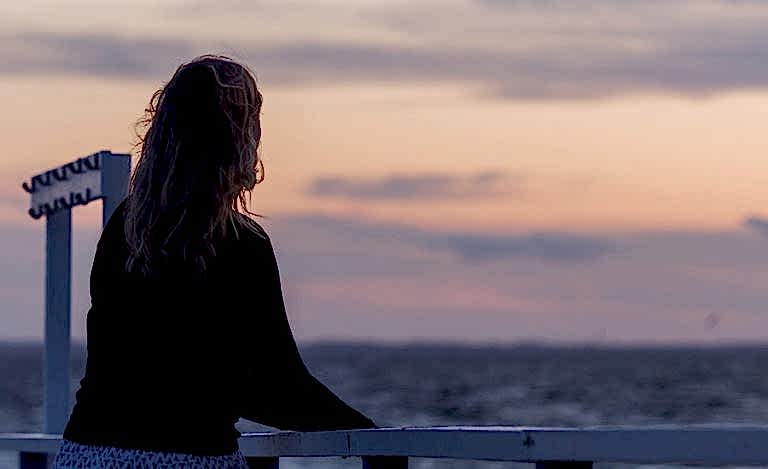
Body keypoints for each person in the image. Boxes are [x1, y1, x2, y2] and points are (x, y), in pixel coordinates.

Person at [53, 55, 378, 469]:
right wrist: (367, 433)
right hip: (186, 458)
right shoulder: (242, 244)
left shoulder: (125, 228)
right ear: (241, 138)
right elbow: (278, 385)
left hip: (88, 453)